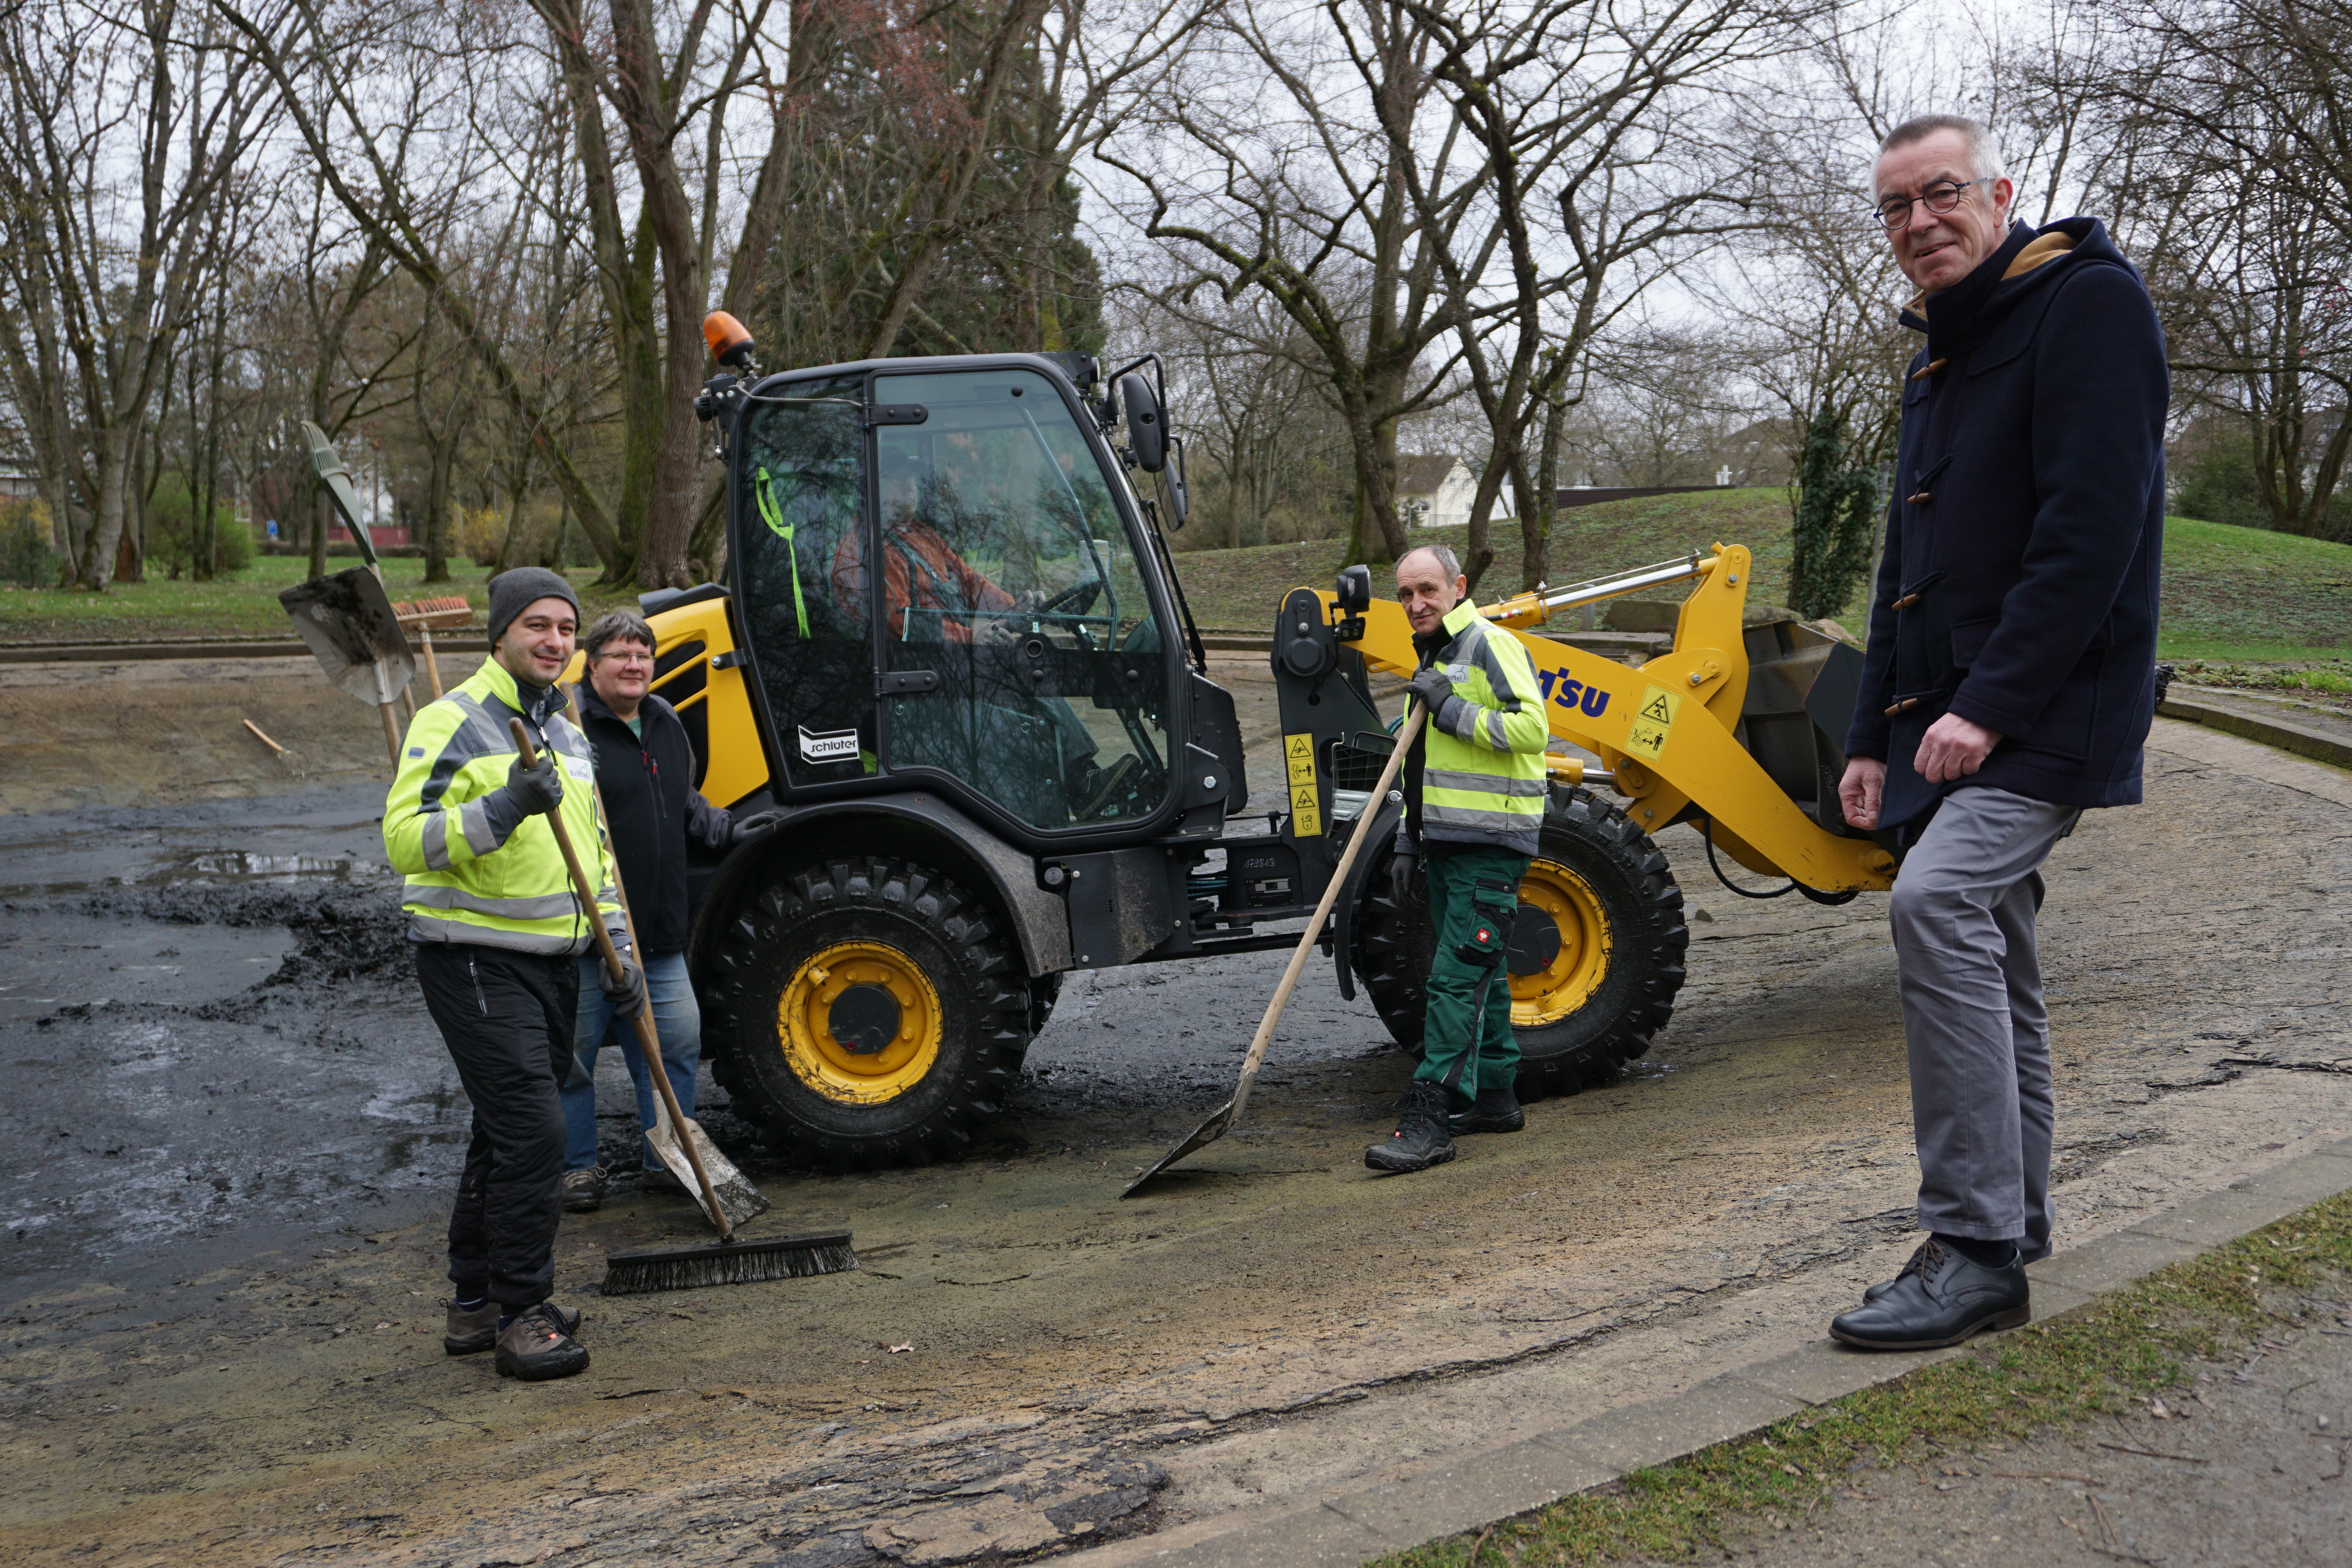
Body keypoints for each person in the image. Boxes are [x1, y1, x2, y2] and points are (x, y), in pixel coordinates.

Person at [1830, 116, 2166, 1350]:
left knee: (1938, 903)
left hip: (2048, 707)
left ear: (2001, 193)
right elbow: (1904, 564)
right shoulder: (1937, 354)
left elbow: (2094, 533)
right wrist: (1871, 732)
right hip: (1953, 716)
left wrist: (1987, 705)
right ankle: (2009, 1226)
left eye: (1943, 194)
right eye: (1896, 208)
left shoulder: (2086, 305)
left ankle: (1973, 1246)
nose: (1921, 222)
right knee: (1996, 948)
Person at [383, 567, 645, 1383]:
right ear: (500, 634)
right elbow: (402, 837)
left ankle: (474, 1302)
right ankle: (521, 1312)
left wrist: (620, 953)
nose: (556, 641)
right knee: (536, 1132)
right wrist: (501, 806)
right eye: (538, 625)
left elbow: (595, 854)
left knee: (500, 1132)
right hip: (474, 956)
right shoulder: (452, 719)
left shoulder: (566, 729)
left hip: (558, 961)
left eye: (566, 628)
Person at [559, 610, 773, 1210]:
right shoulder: (569, 729)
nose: (635, 666)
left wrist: (725, 830)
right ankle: (576, 1169)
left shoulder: (664, 721)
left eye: (643, 655)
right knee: (573, 1058)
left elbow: (680, 801)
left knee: (676, 1048)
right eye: (621, 655)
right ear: (592, 663)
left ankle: (666, 1160)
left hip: (659, 936)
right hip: (589, 936)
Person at [1366, 543, 1550, 1174]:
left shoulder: (1488, 646)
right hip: (1449, 844)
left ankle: (1432, 1114)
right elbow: (1425, 764)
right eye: (1406, 595)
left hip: (1490, 844)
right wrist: (1411, 839)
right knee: (1484, 972)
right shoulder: (1437, 654)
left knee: (1454, 978)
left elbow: (1533, 730)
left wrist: (1450, 707)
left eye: (1428, 590)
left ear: (1458, 587)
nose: (1417, 604)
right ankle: (1495, 1096)